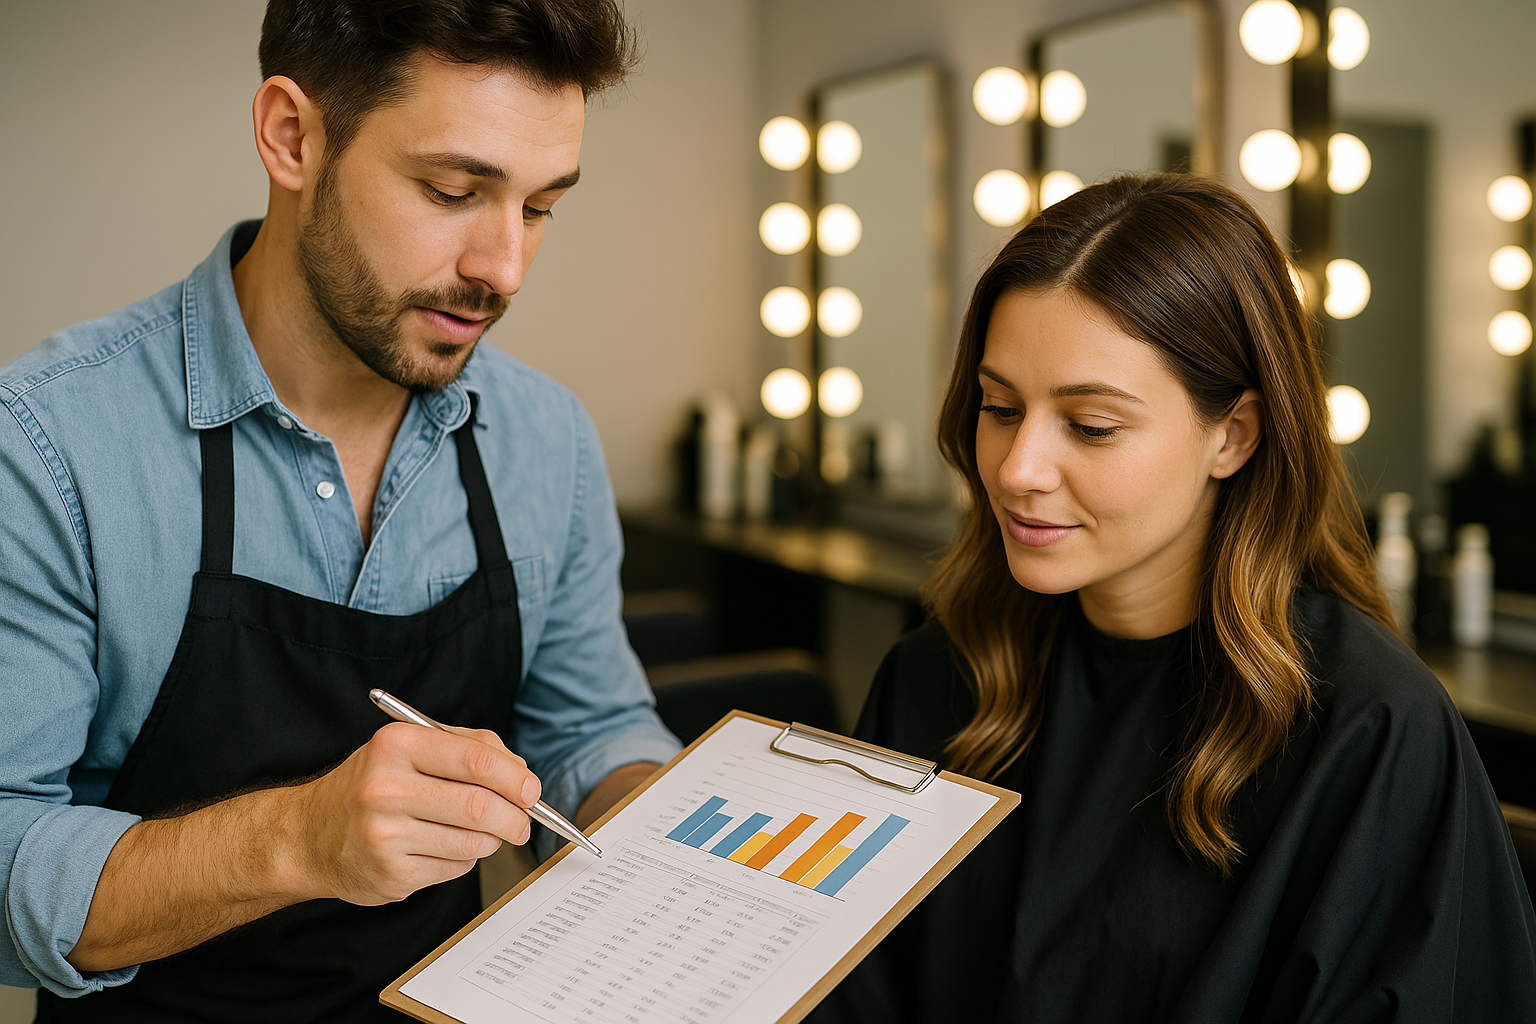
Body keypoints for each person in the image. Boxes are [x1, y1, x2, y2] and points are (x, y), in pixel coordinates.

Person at [0, 2, 681, 1020]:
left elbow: (590, 723)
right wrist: (300, 840)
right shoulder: (49, 444)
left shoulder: (546, 440)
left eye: (541, 207)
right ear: (293, 137)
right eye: (454, 190)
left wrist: (648, 819)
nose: (503, 266)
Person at [808, 173, 1536, 1022]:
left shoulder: (1369, 731)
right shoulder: (940, 679)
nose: (1016, 469)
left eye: (1091, 426)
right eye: (1000, 406)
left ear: (1233, 434)